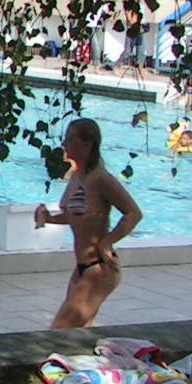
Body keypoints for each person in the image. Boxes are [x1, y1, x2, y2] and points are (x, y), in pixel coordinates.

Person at [33, 117, 143, 329]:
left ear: (87, 144)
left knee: (59, 332)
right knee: (77, 336)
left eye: (70, 139)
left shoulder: (100, 178)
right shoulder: (77, 175)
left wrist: (106, 243)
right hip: (81, 267)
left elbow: (134, 213)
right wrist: (48, 217)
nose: (64, 144)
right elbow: (78, 217)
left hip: (99, 268)